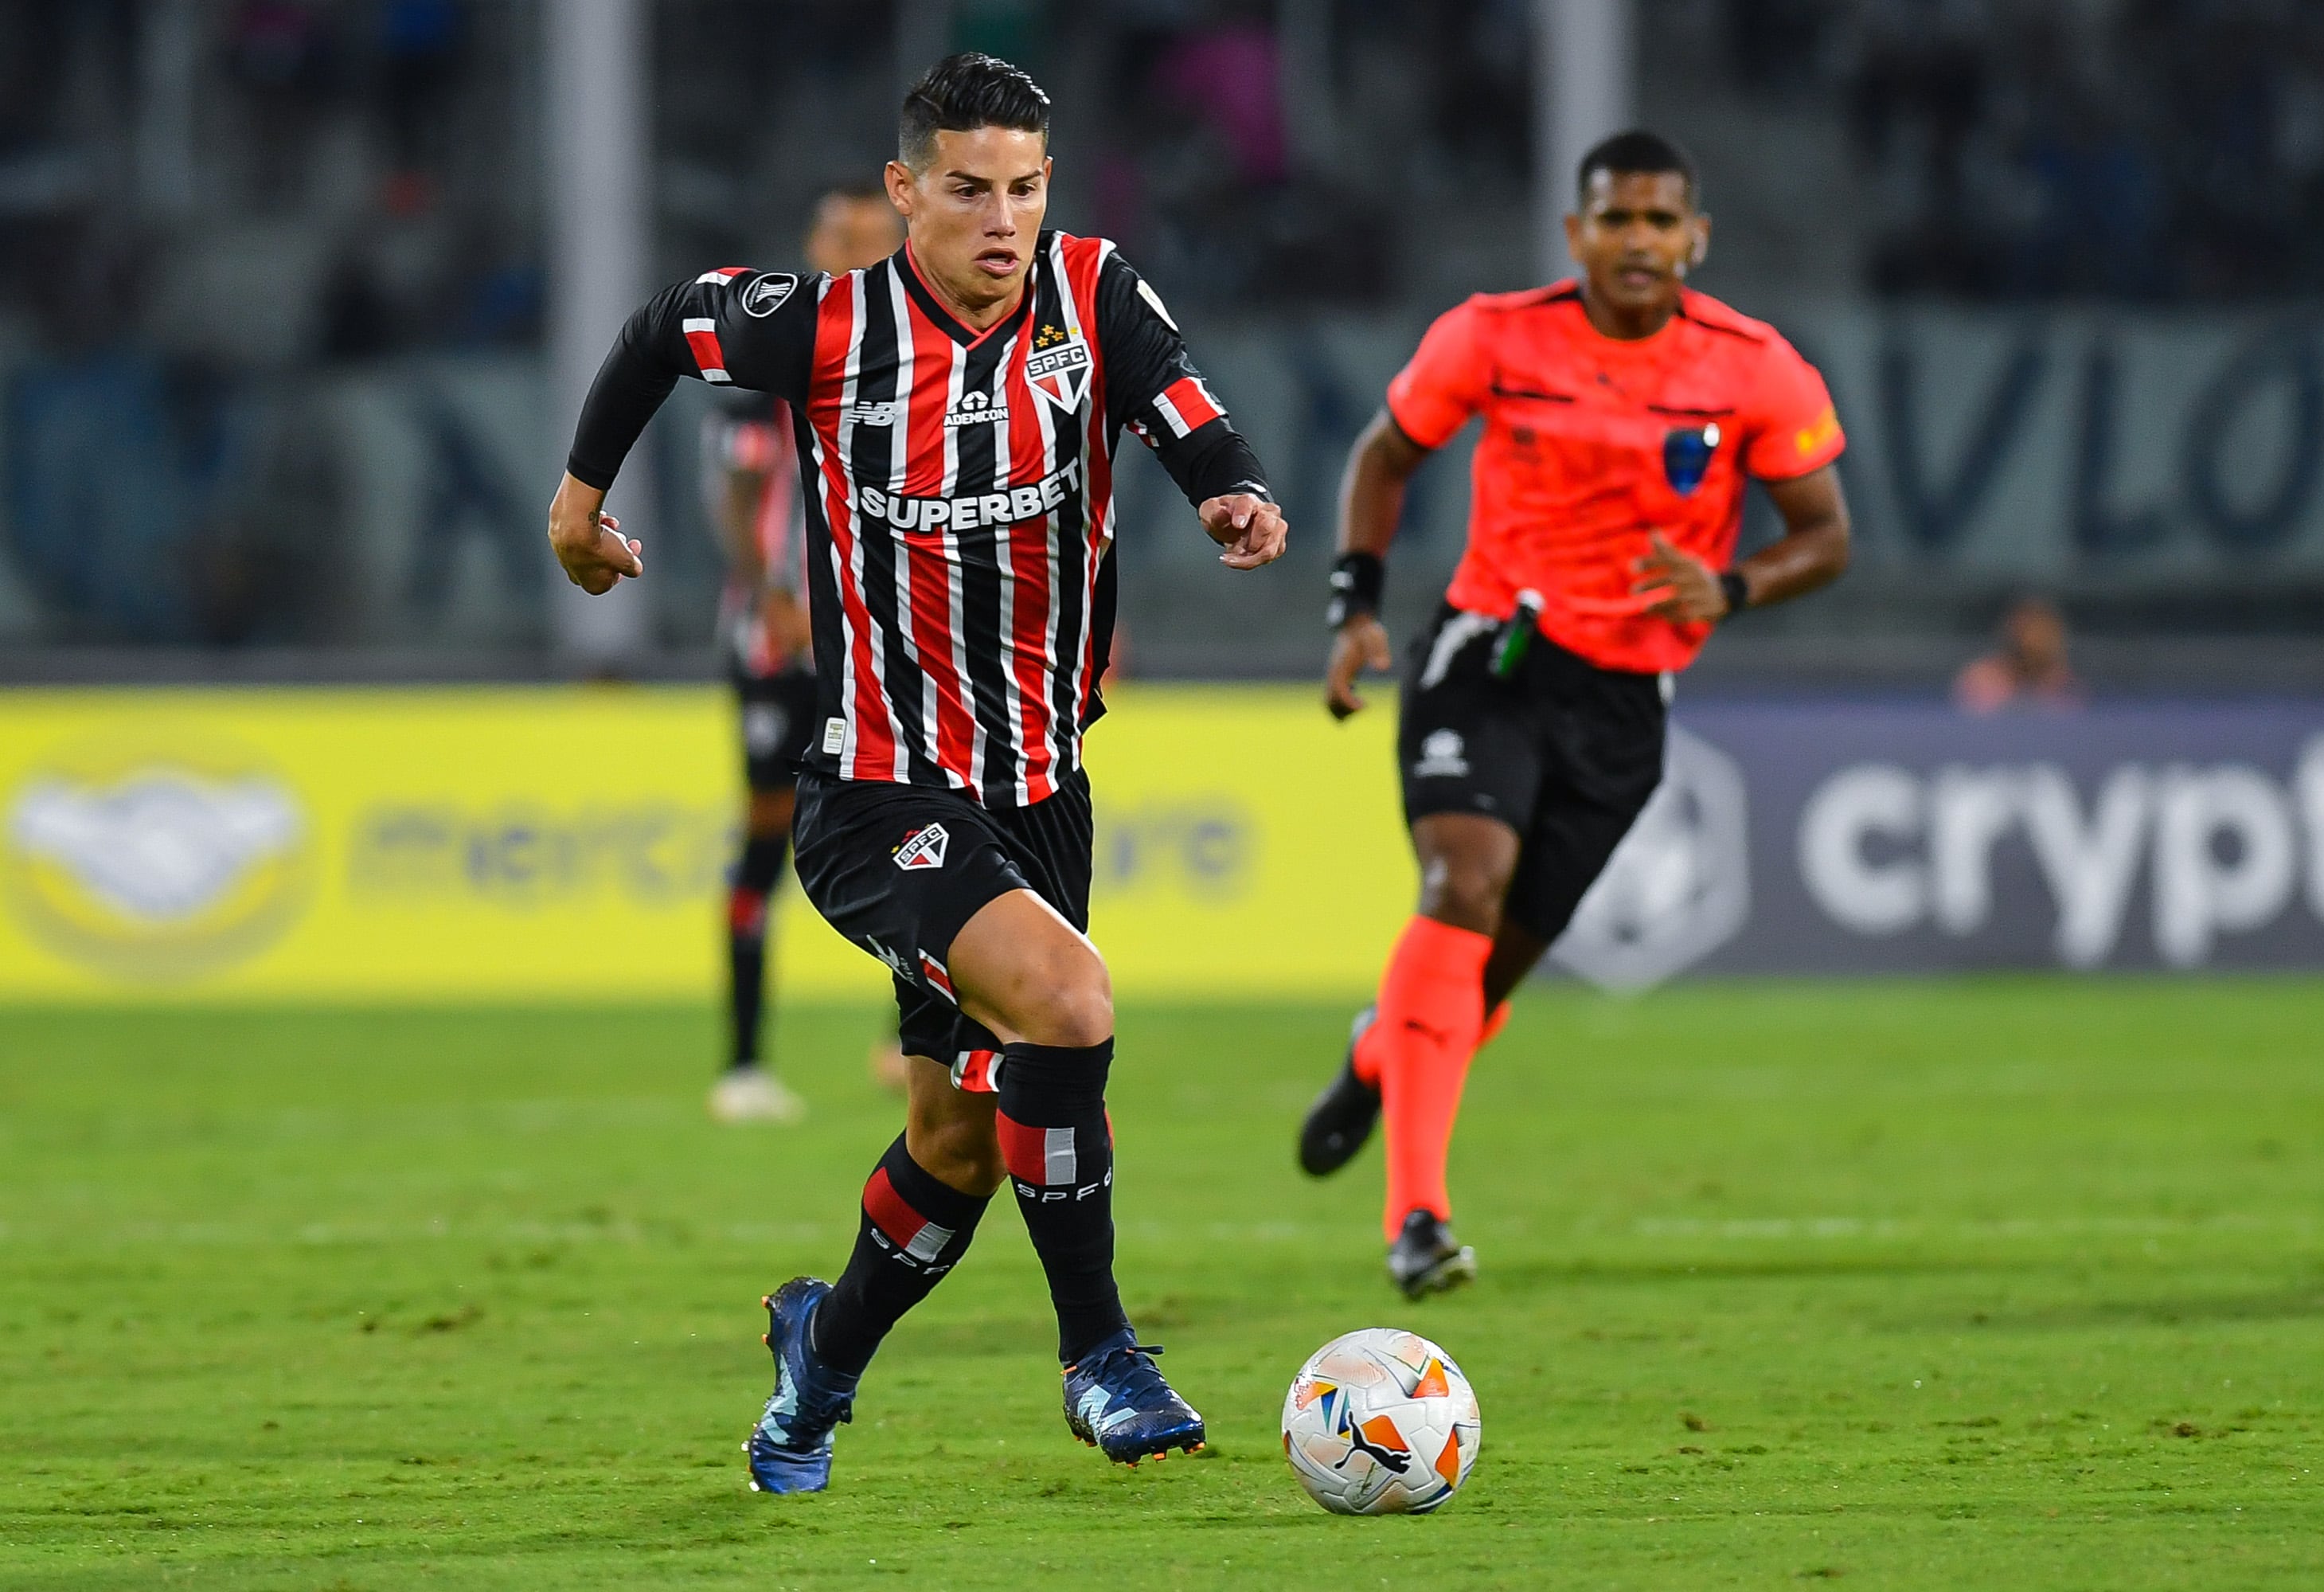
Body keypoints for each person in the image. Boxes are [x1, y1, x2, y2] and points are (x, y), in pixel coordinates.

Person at [546, 53, 1287, 1492]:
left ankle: (815, 1362)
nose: (1000, 219)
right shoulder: (823, 328)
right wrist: (580, 512)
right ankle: (1102, 1355)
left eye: (1023, 188)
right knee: (1069, 1007)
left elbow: (1184, 407)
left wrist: (1233, 491)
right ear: (905, 193)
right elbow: (653, 331)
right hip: (877, 790)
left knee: (957, 1139)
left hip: (1039, 788)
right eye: (967, 190)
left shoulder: (1093, 294)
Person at [1299, 131, 1852, 1297]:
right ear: (1577, 234)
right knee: (1461, 886)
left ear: (1696, 237)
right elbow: (1384, 455)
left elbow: (1826, 535)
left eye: (1660, 221)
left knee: (1487, 977)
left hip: (1623, 699)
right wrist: (1356, 605)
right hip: (1490, 653)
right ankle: (1418, 1216)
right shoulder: (1495, 335)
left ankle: (1375, 1054)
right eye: (1615, 219)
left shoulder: (1756, 369)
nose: (1638, 240)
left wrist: (1737, 585)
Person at [707, 183, 908, 1126]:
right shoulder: (773, 351)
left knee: (923, 820)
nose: (852, 247)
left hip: (884, 638)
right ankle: (743, 1062)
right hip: (782, 643)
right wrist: (777, 596)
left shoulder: (923, 356)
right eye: (837, 232)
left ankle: (910, 1038)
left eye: (869, 235)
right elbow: (742, 495)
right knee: (764, 837)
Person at [1954, 594, 2083, 714]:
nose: (2034, 641)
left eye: (2044, 633)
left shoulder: (2068, 687)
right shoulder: (1979, 679)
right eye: (2026, 630)